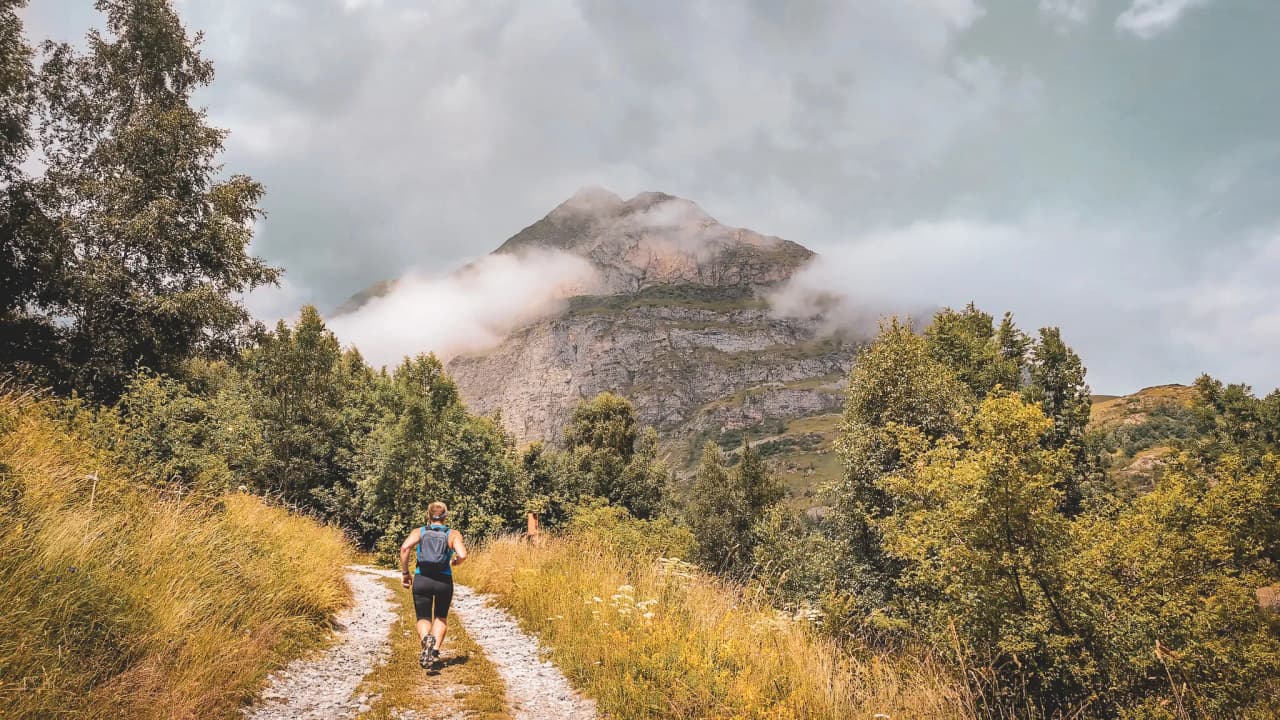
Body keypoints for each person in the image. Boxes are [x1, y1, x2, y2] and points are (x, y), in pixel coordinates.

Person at [399, 501, 468, 669]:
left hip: (422, 578)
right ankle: (435, 651)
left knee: (423, 617)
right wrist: (455, 562)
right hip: (443, 581)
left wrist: (405, 573)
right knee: (441, 616)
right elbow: (463, 554)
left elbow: (404, 548)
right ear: (446, 515)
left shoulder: (419, 532)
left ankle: (425, 640)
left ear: (428, 515)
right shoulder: (452, 534)